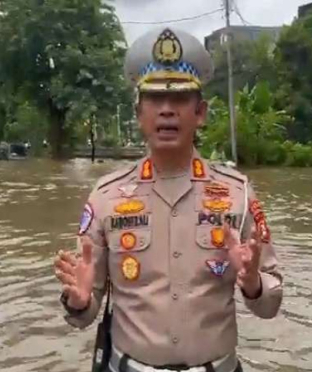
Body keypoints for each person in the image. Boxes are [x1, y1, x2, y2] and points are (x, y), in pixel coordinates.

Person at [53, 27, 283, 372]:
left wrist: (253, 285)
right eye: (155, 99)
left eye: (179, 100)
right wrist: (80, 302)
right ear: (138, 114)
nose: (166, 110)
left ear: (200, 112)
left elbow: (271, 306)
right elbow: (83, 315)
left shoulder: (238, 193)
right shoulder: (105, 197)